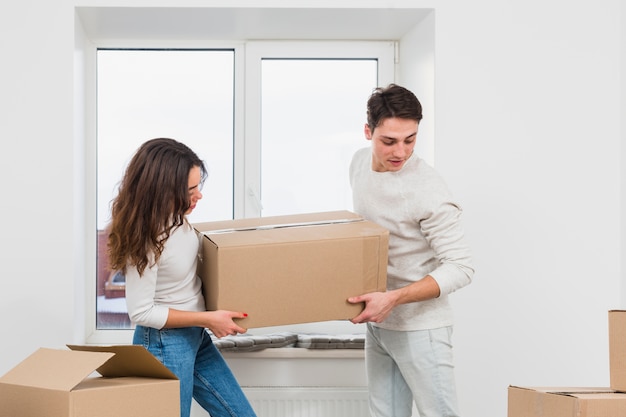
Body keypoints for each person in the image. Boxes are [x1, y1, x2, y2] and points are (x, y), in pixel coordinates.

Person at [347, 84, 474, 417]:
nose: (400, 152)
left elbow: (461, 267)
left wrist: (392, 298)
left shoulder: (427, 189)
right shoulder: (359, 164)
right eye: (389, 141)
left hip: (423, 329)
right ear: (367, 132)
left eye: (410, 139)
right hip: (379, 325)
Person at [107, 138, 257, 417]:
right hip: (163, 343)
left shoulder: (178, 220)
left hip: (195, 337)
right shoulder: (148, 238)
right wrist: (208, 319)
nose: (198, 195)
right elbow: (141, 312)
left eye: (198, 186)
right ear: (163, 190)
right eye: (190, 189)